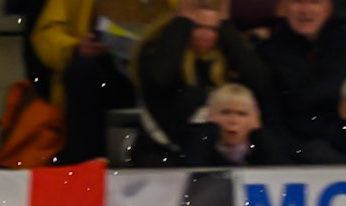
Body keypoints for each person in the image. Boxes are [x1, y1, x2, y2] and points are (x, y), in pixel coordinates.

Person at [133, 0, 269, 160]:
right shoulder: (156, 53)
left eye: (213, 29)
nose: (206, 34)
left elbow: (259, 81)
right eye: (198, 26)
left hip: (212, 155)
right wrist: (182, 22)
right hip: (160, 153)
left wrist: (226, 27)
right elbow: (159, 78)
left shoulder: (225, 60)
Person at [31, 0, 142, 164]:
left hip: (160, 74)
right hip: (104, 73)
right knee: (82, 71)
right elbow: (46, 35)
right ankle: (86, 167)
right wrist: (75, 48)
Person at [256, 0, 346, 143]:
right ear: (284, 7)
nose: (305, 10)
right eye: (298, 2)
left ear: (328, 9)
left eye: (314, 2)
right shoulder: (267, 53)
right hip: (290, 150)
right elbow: (271, 116)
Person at [179, 82, 290, 162]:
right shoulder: (195, 148)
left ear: (255, 120)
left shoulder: (269, 148)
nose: (233, 121)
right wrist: (204, 135)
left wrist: (260, 137)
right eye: (225, 112)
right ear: (210, 116)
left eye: (242, 114)